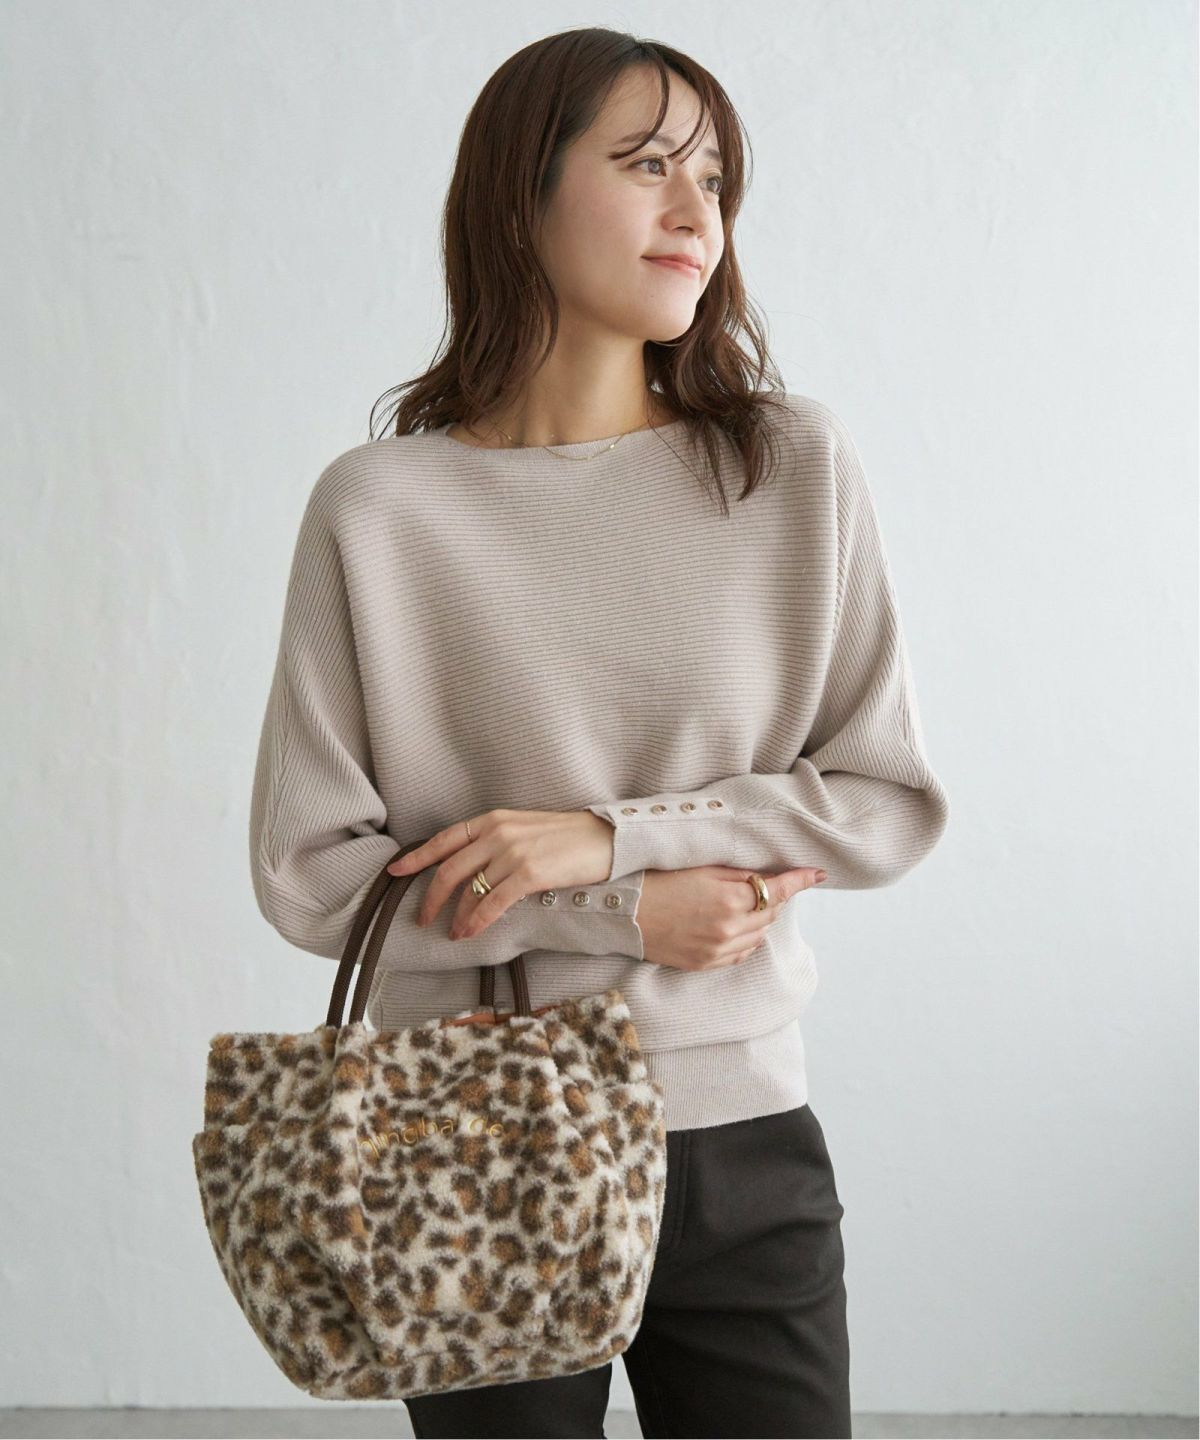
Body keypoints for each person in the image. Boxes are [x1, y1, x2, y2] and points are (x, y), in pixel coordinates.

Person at [248, 26, 950, 1440]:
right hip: (471, 1137)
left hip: (741, 1147)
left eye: (716, 178)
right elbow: (312, 873)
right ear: (521, 196)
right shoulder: (380, 510)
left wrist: (606, 840)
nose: (697, 212)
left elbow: (884, 797)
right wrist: (627, 912)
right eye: (646, 165)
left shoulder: (789, 467)